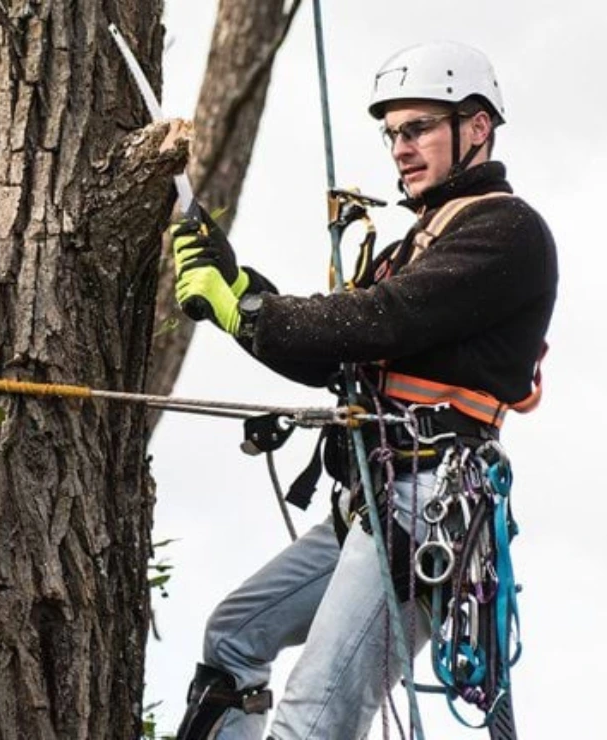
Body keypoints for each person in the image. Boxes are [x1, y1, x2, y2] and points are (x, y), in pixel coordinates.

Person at [170, 41, 558, 740]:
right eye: (392, 135)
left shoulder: (506, 232)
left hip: (425, 507)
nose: (400, 149)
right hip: (372, 504)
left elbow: (379, 320)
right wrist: (238, 291)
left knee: (312, 720)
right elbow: (337, 356)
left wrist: (244, 310)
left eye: (417, 130)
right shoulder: (415, 243)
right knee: (231, 640)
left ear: (476, 127)